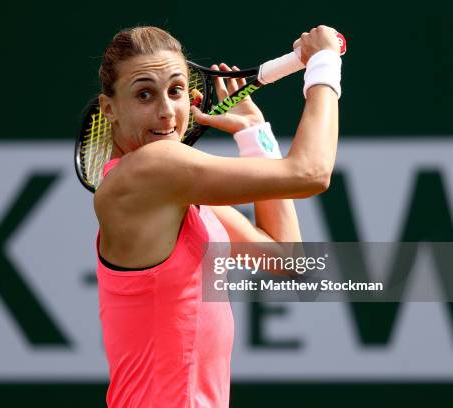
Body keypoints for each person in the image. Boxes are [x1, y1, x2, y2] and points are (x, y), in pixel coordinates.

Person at [94, 25, 342, 407]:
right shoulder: (152, 168)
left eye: (176, 91)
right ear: (109, 108)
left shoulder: (176, 192)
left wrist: (255, 136)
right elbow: (311, 172)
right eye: (144, 95)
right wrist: (324, 65)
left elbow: (287, 259)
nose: (166, 112)